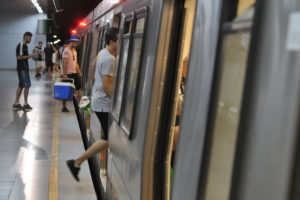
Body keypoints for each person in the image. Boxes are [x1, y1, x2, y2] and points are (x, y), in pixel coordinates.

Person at [66, 27, 119, 181]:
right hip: (104, 103)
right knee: (110, 139)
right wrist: (116, 105)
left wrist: (94, 83)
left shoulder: (102, 52)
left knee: (108, 138)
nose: (120, 44)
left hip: (98, 99)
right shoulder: (110, 59)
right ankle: (76, 162)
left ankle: (77, 162)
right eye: (119, 41)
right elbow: (108, 86)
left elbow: (92, 65)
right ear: (111, 42)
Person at [12, 32, 36, 112]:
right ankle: (25, 104)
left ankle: (16, 103)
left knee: (21, 85)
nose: (30, 39)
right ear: (25, 37)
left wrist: (30, 55)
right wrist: (31, 55)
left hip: (24, 68)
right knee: (27, 85)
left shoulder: (25, 46)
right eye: (29, 38)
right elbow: (19, 57)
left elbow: (23, 57)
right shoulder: (22, 45)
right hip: (22, 68)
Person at [61, 35, 83, 112]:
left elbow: (75, 63)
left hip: (74, 73)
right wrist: (64, 74)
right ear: (72, 42)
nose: (77, 44)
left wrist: (79, 72)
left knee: (79, 88)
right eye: (76, 42)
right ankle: (64, 107)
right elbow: (64, 63)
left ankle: (81, 106)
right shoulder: (66, 51)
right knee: (66, 91)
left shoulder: (75, 51)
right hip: (68, 74)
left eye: (77, 43)